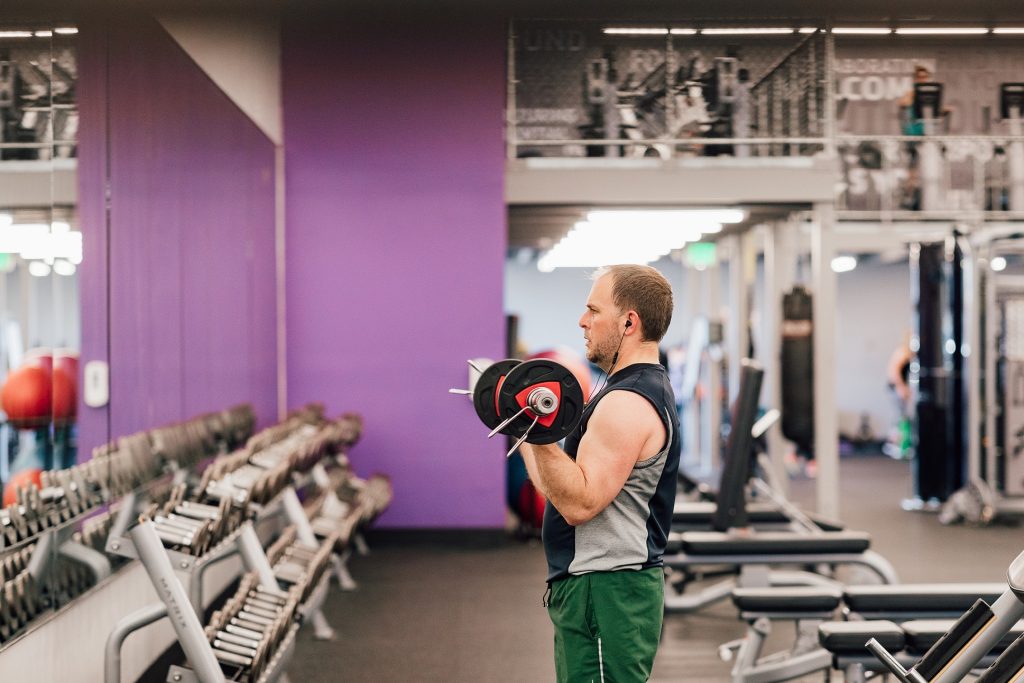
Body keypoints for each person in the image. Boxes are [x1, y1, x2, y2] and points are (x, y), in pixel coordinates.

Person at [519, 264, 681, 683]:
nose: (582, 321)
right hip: (596, 588)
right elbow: (561, 488)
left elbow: (580, 504)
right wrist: (525, 430)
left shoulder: (626, 402)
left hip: (607, 591)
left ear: (629, 322)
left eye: (593, 309)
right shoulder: (620, 389)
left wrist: (536, 430)